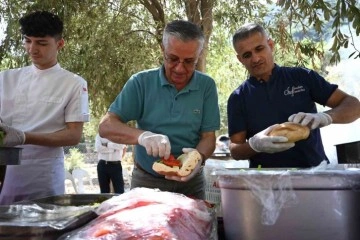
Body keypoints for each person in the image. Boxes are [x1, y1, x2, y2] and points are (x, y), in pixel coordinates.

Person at [98, 20, 220, 199]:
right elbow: (106, 126)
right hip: (147, 182)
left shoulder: (206, 86)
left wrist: (199, 157)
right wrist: (143, 136)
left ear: (199, 55)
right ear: (163, 51)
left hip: (191, 185)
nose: (180, 68)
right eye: (172, 59)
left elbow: (208, 138)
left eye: (189, 61)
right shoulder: (141, 82)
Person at [227, 23, 360, 168]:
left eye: (259, 49)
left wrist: (325, 117)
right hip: (266, 182)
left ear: (270, 45)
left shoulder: (302, 77)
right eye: (247, 55)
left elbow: (354, 106)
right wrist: (255, 144)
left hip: (315, 174)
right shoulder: (238, 97)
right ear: (240, 59)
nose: (255, 58)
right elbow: (235, 150)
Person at [0, 11, 90, 204]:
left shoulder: (73, 83)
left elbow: (73, 136)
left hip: (44, 175)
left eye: (41, 43)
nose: (32, 49)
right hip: (5, 172)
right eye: (27, 41)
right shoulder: (5, 78)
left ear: (60, 44)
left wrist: (25, 137)